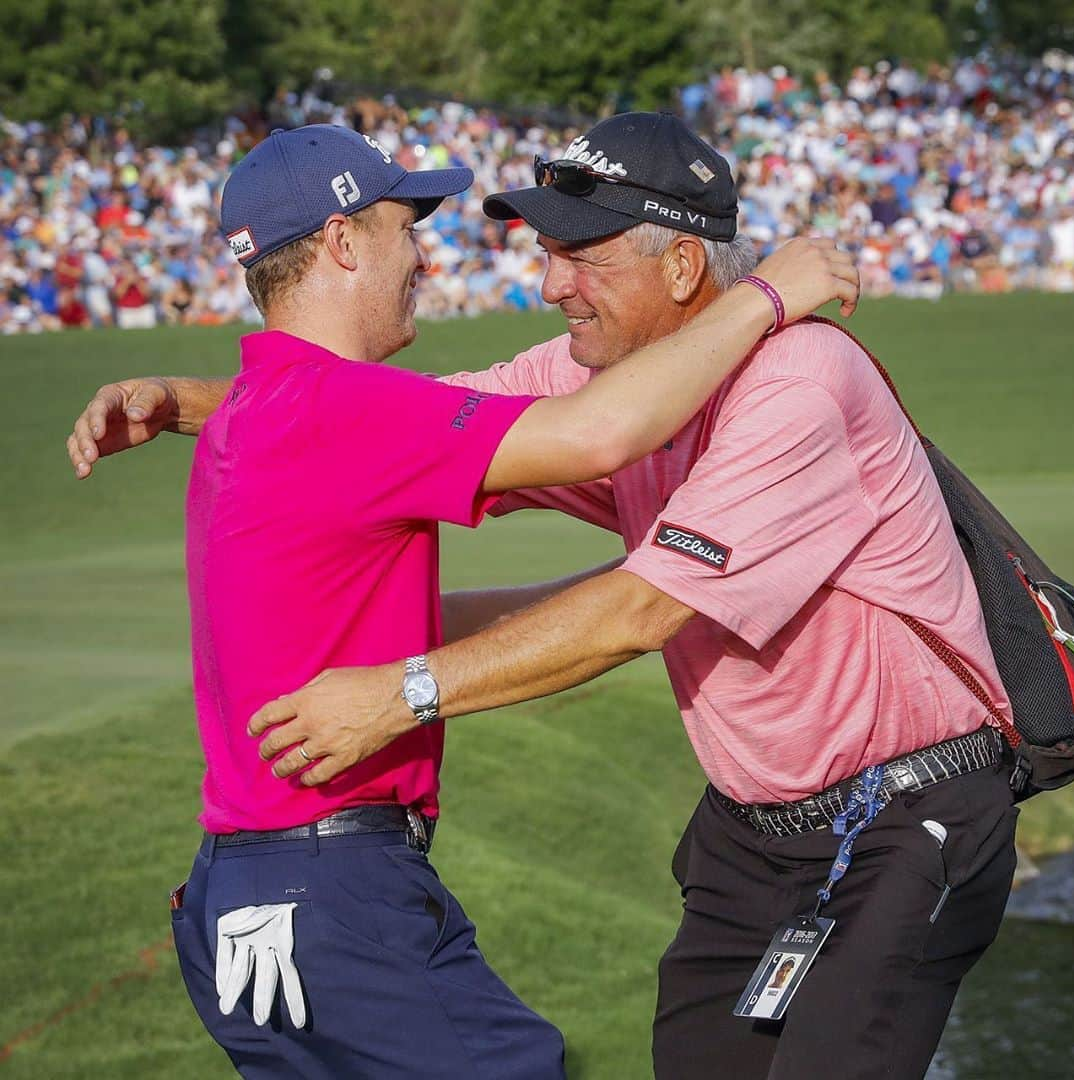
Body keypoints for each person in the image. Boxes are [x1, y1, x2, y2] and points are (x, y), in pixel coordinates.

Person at [67, 120, 858, 1079]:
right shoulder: (344, 410)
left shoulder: (256, 414)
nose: (425, 261)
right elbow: (602, 432)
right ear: (346, 241)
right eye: (409, 228)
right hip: (336, 896)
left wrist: (667, 584)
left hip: (247, 895)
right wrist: (769, 296)